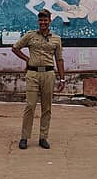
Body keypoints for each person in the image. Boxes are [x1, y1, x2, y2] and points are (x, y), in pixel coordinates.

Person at [11, 9, 65, 150]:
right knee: (30, 106)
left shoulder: (56, 39)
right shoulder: (30, 36)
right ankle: (24, 137)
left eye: (45, 20)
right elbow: (15, 48)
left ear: (49, 21)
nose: (43, 22)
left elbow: (59, 59)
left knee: (47, 107)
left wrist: (62, 79)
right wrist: (27, 59)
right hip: (33, 74)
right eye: (40, 20)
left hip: (48, 74)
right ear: (38, 21)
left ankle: (43, 137)